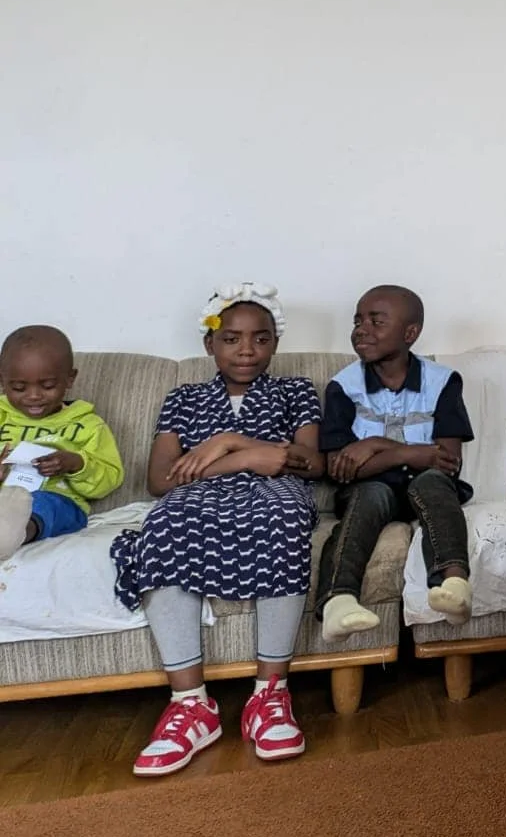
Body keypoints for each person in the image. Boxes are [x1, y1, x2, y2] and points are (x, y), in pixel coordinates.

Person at [111, 283, 324, 777]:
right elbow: (160, 480)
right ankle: (191, 704)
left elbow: (312, 464)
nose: (247, 350)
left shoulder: (295, 391)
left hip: (276, 492)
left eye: (261, 339)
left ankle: (270, 694)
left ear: (275, 343)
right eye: (231, 339)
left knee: (287, 516)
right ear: (210, 343)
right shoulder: (184, 398)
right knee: (162, 523)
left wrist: (230, 441)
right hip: (197, 495)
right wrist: (245, 457)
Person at [317, 285, 475, 642]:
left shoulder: (442, 382)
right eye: (357, 321)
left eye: (376, 321)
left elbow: (447, 462)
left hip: (426, 484)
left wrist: (375, 447)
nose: (361, 330)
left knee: (433, 482)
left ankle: (454, 585)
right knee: (370, 493)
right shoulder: (344, 386)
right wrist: (410, 452)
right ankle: (338, 602)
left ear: (410, 333)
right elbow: (339, 468)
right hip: (370, 490)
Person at [0, 325, 125, 559]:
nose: (33, 396)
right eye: (19, 388)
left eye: (47, 386)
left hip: (58, 502)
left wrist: (75, 463)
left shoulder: (88, 425)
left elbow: (110, 479)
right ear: (2, 380)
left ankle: (14, 533)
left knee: (45, 505)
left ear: (70, 379)